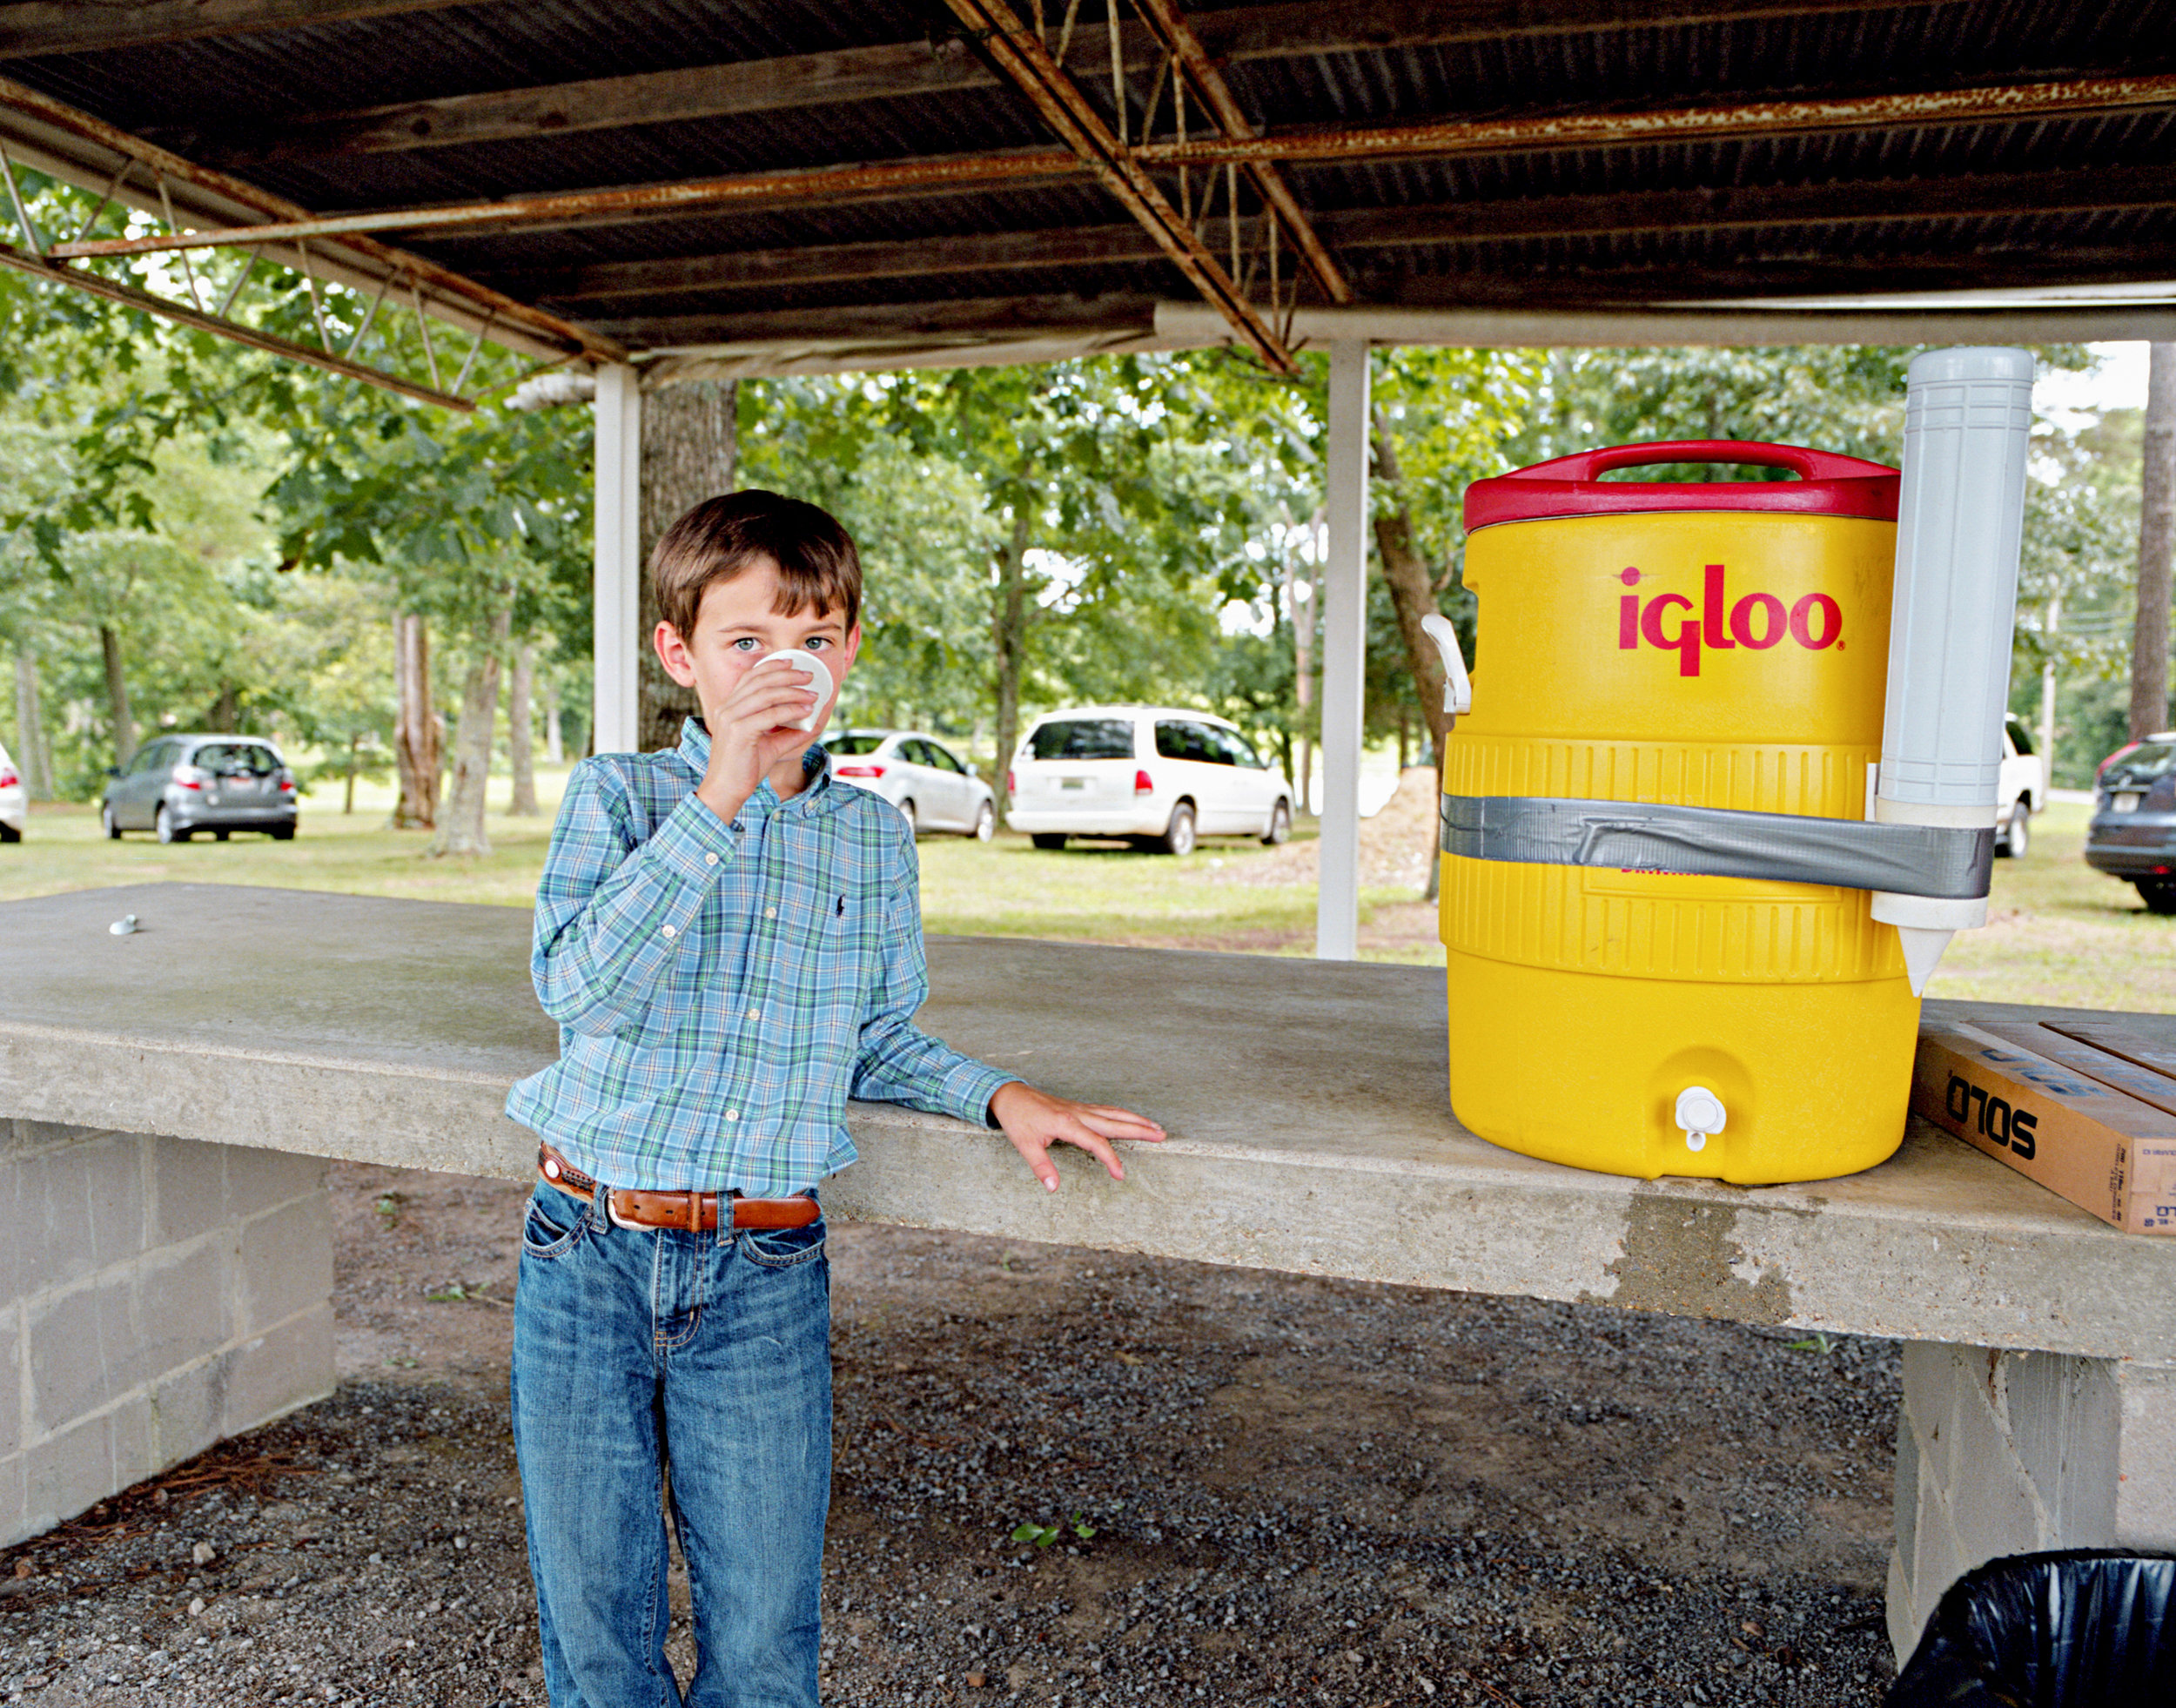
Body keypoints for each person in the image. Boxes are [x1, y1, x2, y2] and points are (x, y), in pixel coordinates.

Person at [503, 489, 1164, 1707]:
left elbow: (873, 1036)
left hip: (761, 1271)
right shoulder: (621, 798)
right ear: (679, 653)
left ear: (850, 650)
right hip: (586, 1247)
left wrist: (998, 1093)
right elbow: (580, 986)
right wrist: (725, 798)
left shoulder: (871, 837)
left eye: (812, 641)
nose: (781, 670)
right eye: (746, 642)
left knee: (762, 1640)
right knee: (597, 1633)